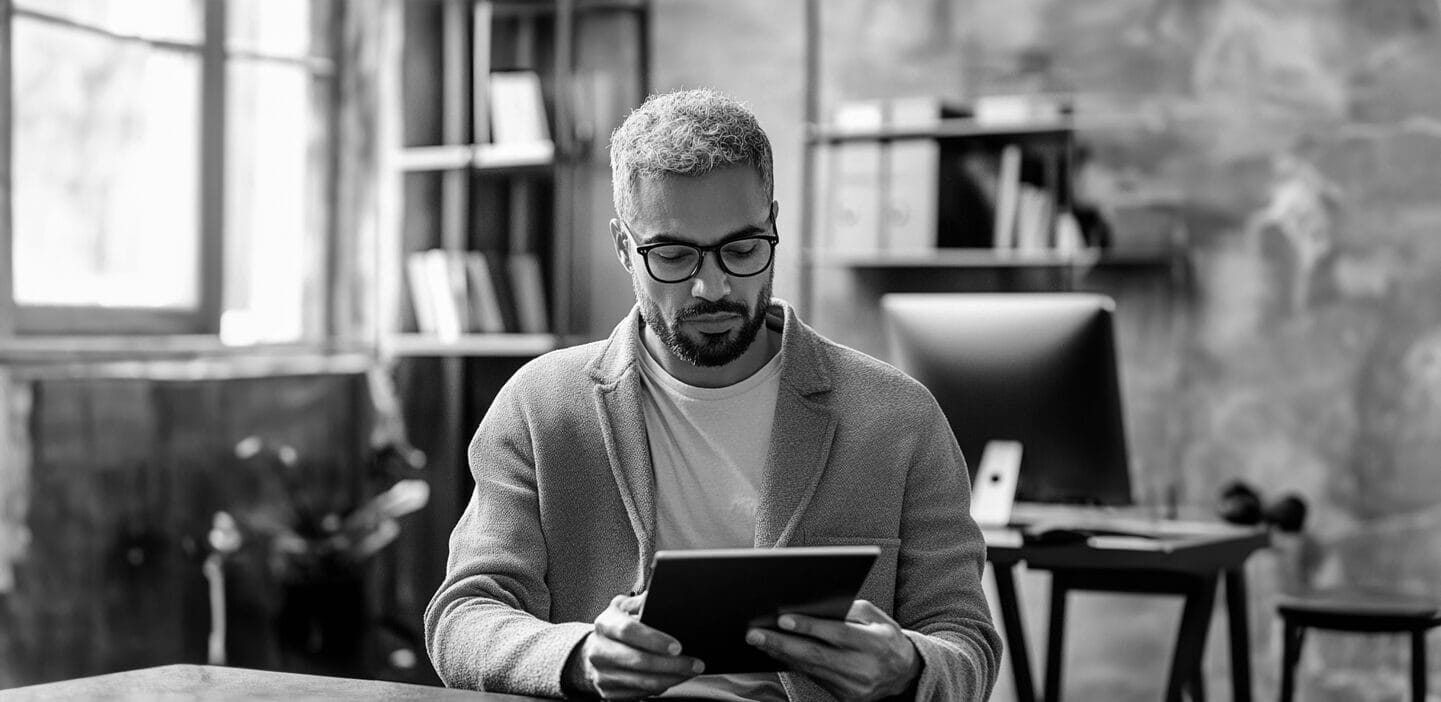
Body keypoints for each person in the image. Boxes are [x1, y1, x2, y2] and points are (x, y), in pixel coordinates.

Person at [424, 88, 1001, 701]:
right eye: (672, 255)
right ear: (624, 246)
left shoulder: (899, 417)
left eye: (742, 248)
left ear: (773, 225)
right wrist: (579, 656)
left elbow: (966, 639)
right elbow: (463, 615)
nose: (712, 286)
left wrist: (909, 666)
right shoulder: (541, 407)